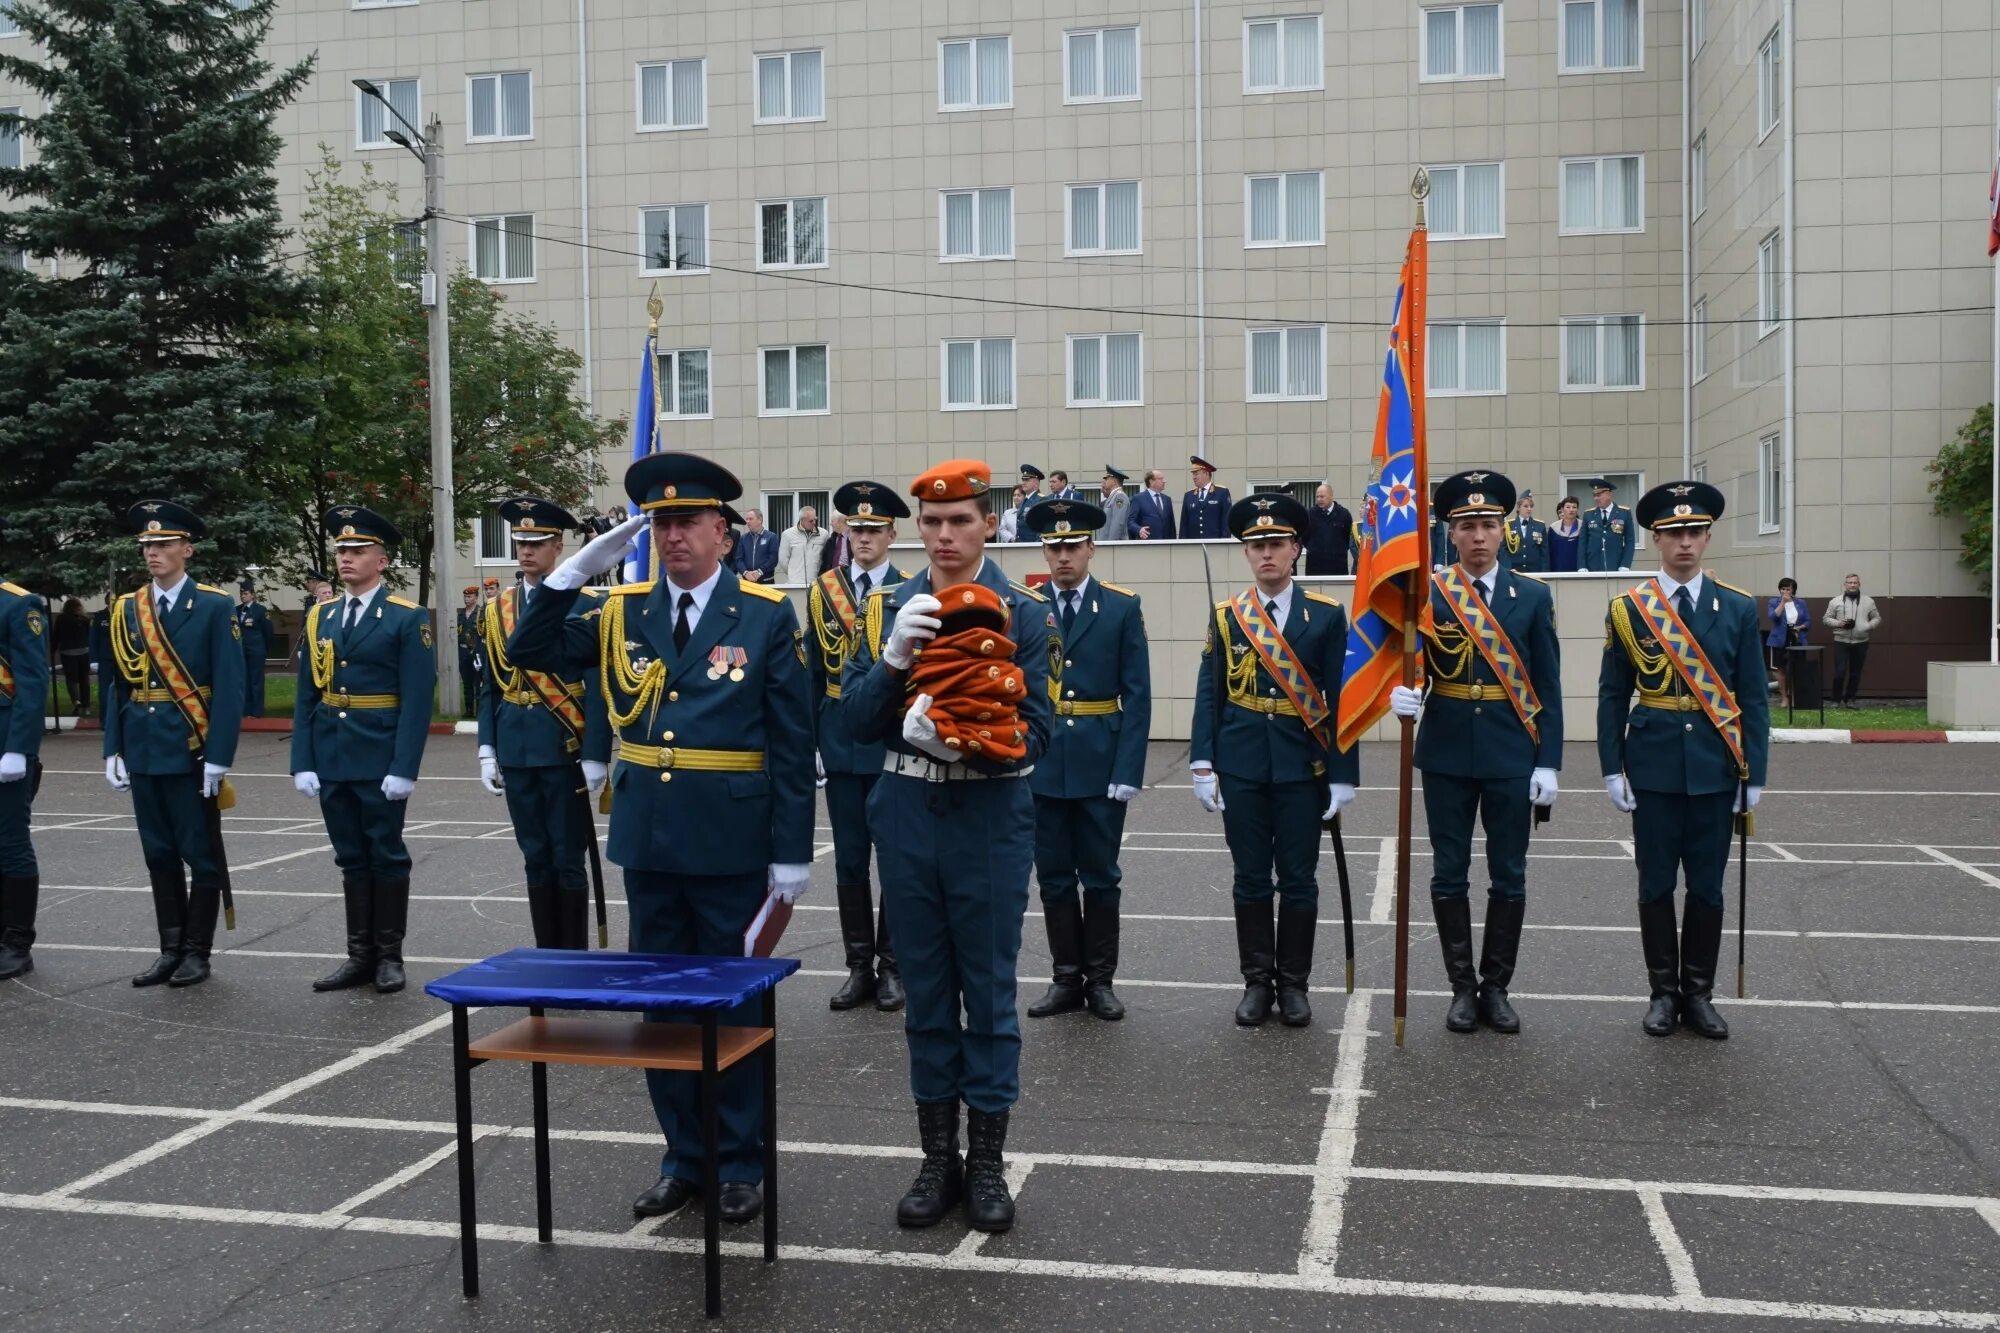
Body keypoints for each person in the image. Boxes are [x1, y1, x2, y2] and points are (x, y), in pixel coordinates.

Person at [509, 452, 812, 1228]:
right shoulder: (622, 609)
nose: (673, 536)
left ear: (724, 530)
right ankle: (684, 1157)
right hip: (649, 840)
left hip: (733, 839)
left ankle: (741, 1161)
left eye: (687, 522)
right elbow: (529, 652)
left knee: (734, 1007)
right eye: (660, 523)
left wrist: (792, 849)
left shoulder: (766, 613)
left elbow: (789, 736)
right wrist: (570, 574)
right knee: (663, 1013)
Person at [842, 458, 1052, 1234]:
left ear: (988, 522)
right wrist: (895, 657)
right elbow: (854, 723)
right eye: (931, 522)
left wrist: (966, 743)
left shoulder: (1021, 611)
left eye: (960, 519)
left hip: (988, 814)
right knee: (927, 993)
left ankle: (989, 1162)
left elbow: (1042, 735)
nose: (945, 535)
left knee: (989, 995)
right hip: (904, 811)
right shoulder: (890, 606)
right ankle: (938, 1158)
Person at [1388, 471, 1561, 1034]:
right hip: (1446, 752)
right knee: (1449, 873)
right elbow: (1408, 664)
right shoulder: (1429, 594)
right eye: (1467, 527)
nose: (1479, 536)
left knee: (1509, 876)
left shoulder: (1532, 596)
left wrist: (1549, 762)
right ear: (1451, 534)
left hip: (1512, 751)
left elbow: (1548, 686)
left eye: (1488, 525)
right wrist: (1405, 694)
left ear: (1504, 530)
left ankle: (1498, 987)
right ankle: (1462, 988)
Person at [1599, 481, 1769, 1041]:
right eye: (1674, 534)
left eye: (1694, 532)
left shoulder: (1739, 608)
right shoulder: (1629, 609)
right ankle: (1662, 994)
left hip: (1716, 769)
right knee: (1654, 886)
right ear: (1655, 539)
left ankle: (1698, 994)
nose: (1685, 544)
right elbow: (1612, 693)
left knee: (1707, 889)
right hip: (1651, 766)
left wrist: (1755, 776)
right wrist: (1611, 766)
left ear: (1708, 537)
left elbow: (1753, 700)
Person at [1190, 493, 1359, 1028]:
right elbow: (1209, 693)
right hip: (1241, 764)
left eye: (1276, 544)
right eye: (1256, 545)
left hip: (1300, 768)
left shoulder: (1328, 615)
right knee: (1249, 879)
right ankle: (1257, 983)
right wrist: (1201, 763)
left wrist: (1343, 774)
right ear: (1246, 553)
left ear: (1296, 550)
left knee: (1300, 880)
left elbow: (1343, 697)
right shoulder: (1228, 617)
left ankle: (1295, 985)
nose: (1266, 553)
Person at [291, 505, 437, 996]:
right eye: (342, 550)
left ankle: (389, 956)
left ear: (382, 559)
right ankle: (359, 955)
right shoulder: (322, 617)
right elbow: (308, 694)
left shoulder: (405, 617)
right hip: (332, 754)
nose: (347, 558)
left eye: (357, 550)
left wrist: (404, 768)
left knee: (386, 854)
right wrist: (302, 760)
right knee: (350, 857)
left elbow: (418, 700)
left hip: (379, 755)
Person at [103, 501, 244, 989]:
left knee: (198, 854)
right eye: (146, 545)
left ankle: (197, 952)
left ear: (187, 549)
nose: (152, 553)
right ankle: (169, 948)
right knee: (157, 853)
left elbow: (229, 687)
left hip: (190, 745)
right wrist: (112, 748)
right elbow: (117, 686)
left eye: (162, 544)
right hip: (142, 746)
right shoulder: (127, 608)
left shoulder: (213, 605)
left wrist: (218, 756)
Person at [1022, 498, 1151, 1022]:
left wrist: (1128, 771)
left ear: (1091, 548)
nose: (1063, 556)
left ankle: (1100, 981)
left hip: (1101, 759)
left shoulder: (1120, 607)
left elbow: (1138, 695)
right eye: (1054, 547)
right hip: (1043, 761)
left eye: (1073, 545)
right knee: (1052, 877)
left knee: (1100, 876)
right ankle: (1064, 979)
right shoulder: (1026, 606)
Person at [474, 497, 611, 950]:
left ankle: (571, 956)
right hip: (515, 743)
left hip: (563, 743)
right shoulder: (497, 610)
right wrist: (487, 749)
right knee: (534, 855)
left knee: (568, 857)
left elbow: (598, 684)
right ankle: (546, 953)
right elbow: (491, 684)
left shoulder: (588, 603)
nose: (526, 551)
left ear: (559, 547)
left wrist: (595, 754)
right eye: (520, 542)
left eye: (537, 543)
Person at [811, 481, 913, 1013]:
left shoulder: (907, 588)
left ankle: (892, 968)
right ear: (845, 532)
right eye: (857, 529)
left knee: (894, 858)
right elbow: (810, 669)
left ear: (893, 535)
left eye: (875, 530)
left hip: (892, 739)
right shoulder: (822, 587)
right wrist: (811, 742)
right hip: (839, 738)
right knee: (849, 861)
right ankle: (858, 967)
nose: (865, 537)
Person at [0, 531, 49, 980]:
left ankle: (16, 941)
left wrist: (19, 749)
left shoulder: (18, 604)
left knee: (10, 844)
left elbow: (32, 684)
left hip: (4, 747)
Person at [1826, 573, 1882, 708]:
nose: (1852, 585)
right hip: (1841, 641)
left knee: (1855, 672)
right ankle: (1835, 700)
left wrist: (1869, 626)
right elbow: (1826, 619)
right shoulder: (1835, 601)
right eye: (1849, 582)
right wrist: (1839, 623)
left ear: (1859, 584)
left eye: (1855, 582)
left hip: (1861, 641)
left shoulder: (1869, 601)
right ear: (1844, 585)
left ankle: (1850, 699)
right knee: (1840, 671)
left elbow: (1877, 618)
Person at [1765, 578, 1812, 710]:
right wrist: (1782, 603)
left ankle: (1795, 697)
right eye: (1783, 589)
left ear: (1793, 590)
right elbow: (1773, 617)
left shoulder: (1801, 603)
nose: (1785, 591)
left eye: (1788, 589)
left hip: (1797, 639)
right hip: (1779, 640)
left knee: (1797, 669)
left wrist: (1800, 627)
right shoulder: (1773, 601)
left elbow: (1808, 621)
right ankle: (1784, 697)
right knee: (1781, 669)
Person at [1581, 479, 1636, 572]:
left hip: (1616, 565)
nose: (1596, 498)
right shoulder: (1588, 514)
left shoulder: (1624, 513)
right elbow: (1582, 542)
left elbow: (1630, 541)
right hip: (1592, 566)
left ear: (1609, 495)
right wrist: (1582, 565)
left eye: (1599, 495)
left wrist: (1625, 564)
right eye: (1594, 495)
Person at [235, 581, 272, 717]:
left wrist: (264, 650)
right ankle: (246, 710)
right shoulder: (236, 610)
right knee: (244, 680)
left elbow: (268, 633)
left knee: (256, 680)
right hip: (241, 651)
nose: (242, 596)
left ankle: (257, 711)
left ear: (252, 595)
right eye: (241, 594)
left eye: (245, 594)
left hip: (256, 651)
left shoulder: (260, 611)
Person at [52, 596, 91, 716]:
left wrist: (53, 650)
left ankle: (76, 701)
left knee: (71, 679)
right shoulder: (85, 619)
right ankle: (86, 705)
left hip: (67, 652)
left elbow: (56, 636)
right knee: (84, 678)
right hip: (83, 651)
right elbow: (87, 634)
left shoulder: (61, 619)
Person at [1304, 483, 1354, 576]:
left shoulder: (1344, 514)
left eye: (1322, 496)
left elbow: (1348, 539)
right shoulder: (1310, 514)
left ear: (1331, 496)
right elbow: (1305, 538)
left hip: (1338, 568)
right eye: (1317, 497)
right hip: (1315, 569)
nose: (1319, 499)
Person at [1180, 456, 1231, 539]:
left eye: (1196, 474)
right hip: (1193, 545)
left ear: (1206, 473)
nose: (1194, 477)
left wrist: (1223, 543)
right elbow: (1184, 524)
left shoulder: (1221, 492)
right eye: (1193, 474)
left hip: (1215, 544)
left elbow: (1226, 521)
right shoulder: (1189, 495)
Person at [777, 506, 826, 584]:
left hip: (816, 582)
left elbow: (825, 558)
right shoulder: (787, 534)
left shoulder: (824, 534)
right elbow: (783, 560)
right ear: (802, 520)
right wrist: (793, 574)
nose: (814, 523)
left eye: (815, 520)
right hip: (795, 583)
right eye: (811, 521)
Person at [1505, 491, 1549, 574]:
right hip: (1514, 571)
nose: (1529, 509)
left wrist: (1545, 572)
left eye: (1531, 506)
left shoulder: (1540, 525)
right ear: (1518, 508)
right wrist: (1507, 568)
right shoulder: (1508, 525)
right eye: (1525, 506)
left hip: (1535, 571)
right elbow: (1504, 550)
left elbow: (1544, 551)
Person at [455, 585, 482, 716]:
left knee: (478, 681)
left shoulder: (480, 613)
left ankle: (480, 709)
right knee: (466, 682)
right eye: (465, 597)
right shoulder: (460, 614)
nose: (466, 599)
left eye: (469, 597)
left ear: (476, 597)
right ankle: (469, 709)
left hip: (476, 652)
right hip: (463, 652)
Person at [733, 508, 780, 584]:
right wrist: (745, 573)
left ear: (760, 520)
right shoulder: (743, 538)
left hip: (766, 581)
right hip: (748, 581)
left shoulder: (771, 537)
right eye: (747, 519)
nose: (747, 521)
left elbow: (773, 559)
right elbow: (738, 559)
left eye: (750, 519)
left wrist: (760, 572)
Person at [1127, 468, 1176, 541]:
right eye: (1160, 479)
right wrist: (1139, 530)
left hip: (1166, 546)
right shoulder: (1138, 499)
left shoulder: (1167, 500)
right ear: (1151, 481)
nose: (1164, 481)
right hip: (1147, 545)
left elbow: (1171, 526)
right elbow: (1130, 522)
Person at [1548, 496, 1583, 573]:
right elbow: (1549, 551)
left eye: (1574, 507)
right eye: (1568, 507)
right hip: (1557, 571)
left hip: (1579, 571)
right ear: (1562, 509)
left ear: (1577, 510)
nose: (1571, 510)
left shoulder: (1583, 526)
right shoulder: (1553, 527)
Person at [1097, 465, 1132, 541]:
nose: (1105, 481)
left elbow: (1118, 523)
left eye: (1107, 478)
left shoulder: (1119, 497)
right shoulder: (1113, 496)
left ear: (1114, 481)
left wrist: (1111, 545)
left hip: (1114, 548)